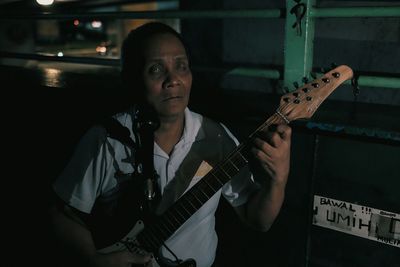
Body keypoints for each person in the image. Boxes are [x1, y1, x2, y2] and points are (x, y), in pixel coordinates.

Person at [49, 21, 291, 267]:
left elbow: (258, 219)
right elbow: (62, 213)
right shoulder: (108, 140)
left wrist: (278, 179)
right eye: (156, 69)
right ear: (133, 79)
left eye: (181, 66)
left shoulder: (217, 138)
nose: (173, 80)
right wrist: (94, 260)